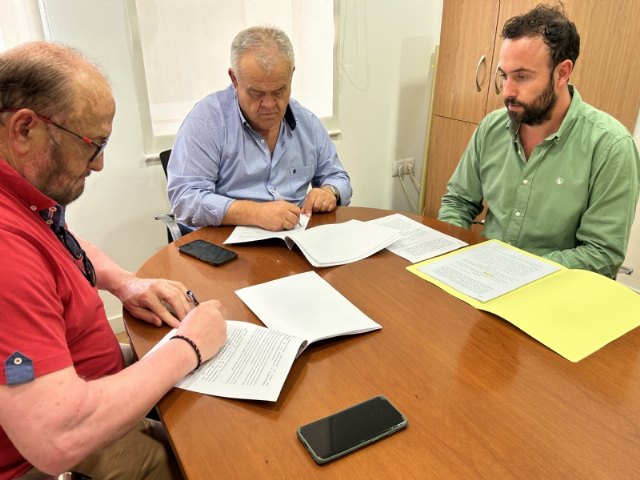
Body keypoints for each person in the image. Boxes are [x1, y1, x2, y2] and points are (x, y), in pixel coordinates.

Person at [0, 42, 227, 479]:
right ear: (25, 129)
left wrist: (125, 282)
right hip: (47, 455)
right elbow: (59, 438)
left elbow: (63, 244)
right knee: (209, 455)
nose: (100, 163)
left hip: (84, 382)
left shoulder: (21, 199)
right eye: (92, 144)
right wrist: (189, 346)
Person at [438, 4, 640, 278]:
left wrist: (514, 271)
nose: (507, 91)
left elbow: (601, 255)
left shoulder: (610, 147)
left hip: (555, 298)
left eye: (522, 76)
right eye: (503, 75)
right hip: (483, 280)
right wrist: (451, 254)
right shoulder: (491, 128)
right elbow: (459, 202)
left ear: (562, 72)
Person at [167, 26, 352, 232]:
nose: (269, 104)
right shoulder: (206, 122)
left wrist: (329, 191)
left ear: (291, 75)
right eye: (256, 93)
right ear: (234, 79)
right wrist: (254, 213)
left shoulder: (307, 122)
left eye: (279, 91)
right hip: (223, 247)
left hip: (292, 243)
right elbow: (184, 198)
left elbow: (338, 177)